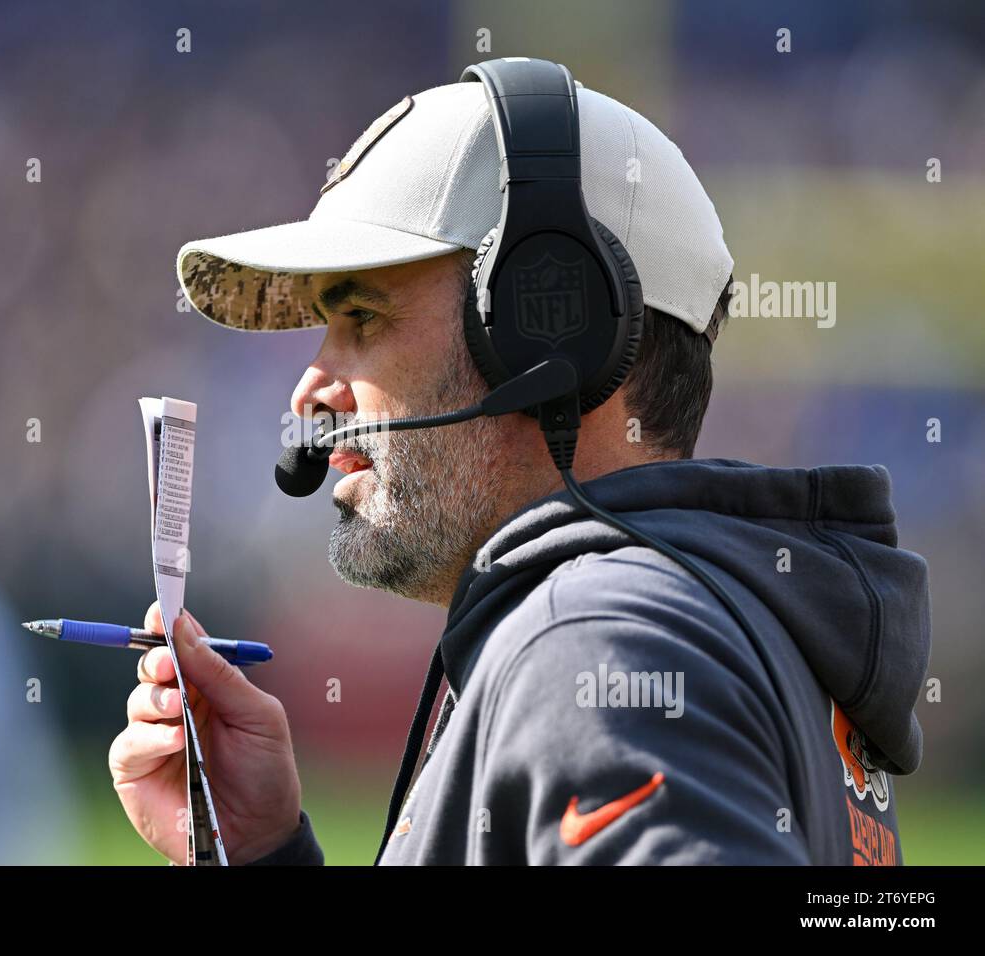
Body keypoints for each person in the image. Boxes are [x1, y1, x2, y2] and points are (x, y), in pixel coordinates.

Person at [108, 66, 931, 864]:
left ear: (548, 328)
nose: (311, 390)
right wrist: (263, 856)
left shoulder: (600, 643)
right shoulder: (713, 621)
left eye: (360, 314)